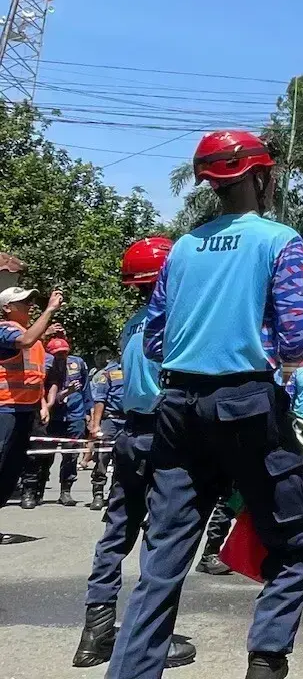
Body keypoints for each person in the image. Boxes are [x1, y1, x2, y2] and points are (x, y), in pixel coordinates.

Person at [104, 129, 303, 679]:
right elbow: (295, 339)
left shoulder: (181, 248)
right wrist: (259, 338)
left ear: (210, 184)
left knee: (163, 559)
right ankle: (265, 661)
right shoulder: (279, 240)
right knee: (296, 542)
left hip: (177, 407)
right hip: (247, 404)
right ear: (259, 176)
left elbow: (154, 340)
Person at [73, 236, 198, 670]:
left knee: (116, 531)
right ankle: (149, 639)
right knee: (163, 538)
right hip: (165, 432)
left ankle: (97, 631)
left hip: (130, 432)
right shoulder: (177, 319)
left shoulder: (132, 322)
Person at [0, 286, 62, 522]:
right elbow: (25, 340)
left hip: (26, 412)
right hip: (4, 411)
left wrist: (43, 404)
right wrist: (50, 310)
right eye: (23, 302)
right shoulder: (5, 331)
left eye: (31, 302)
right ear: (7, 308)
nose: (30, 305)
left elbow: (35, 378)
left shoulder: (33, 337)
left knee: (10, 472)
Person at [20, 336, 88, 508]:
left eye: (64, 353)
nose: (62, 356)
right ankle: (35, 490)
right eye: (57, 354)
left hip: (75, 415)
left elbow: (86, 390)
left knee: (71, 454)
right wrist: (66, 392)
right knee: (42, 455)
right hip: (51, 416)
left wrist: (89, 414)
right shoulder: (45, 366)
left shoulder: (78, 363)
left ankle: (66, 491)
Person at [85, 345, 128, 511]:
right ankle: (98, 492)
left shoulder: (136, 370)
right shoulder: (108, 373)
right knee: (103, 457)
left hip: (129, 420)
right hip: (111, 420)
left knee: (124, 459)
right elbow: (100, 400)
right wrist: (95, 425)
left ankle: (115, 494)